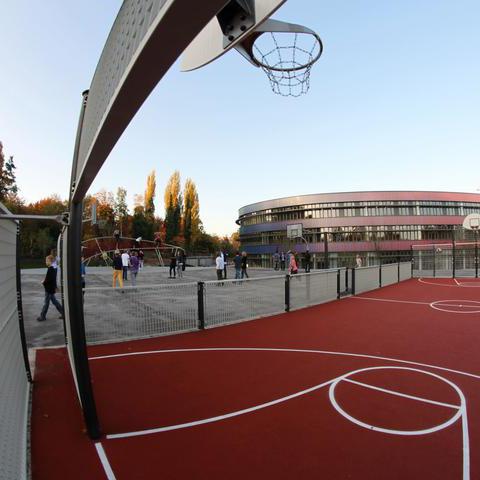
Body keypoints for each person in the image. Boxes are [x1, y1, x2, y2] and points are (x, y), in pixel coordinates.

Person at [37, 255, 64, 322]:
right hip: (51, 288)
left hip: (49, 289)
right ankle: (63, 313)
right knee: (54, 301)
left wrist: (43, 282)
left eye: (47, 260)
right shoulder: (53, 268)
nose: (46, 262)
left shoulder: (51, 269)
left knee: (46, 303)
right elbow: (52, 279)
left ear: (50, 261)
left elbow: (49, 279)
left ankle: (42, 316)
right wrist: (54, 286)